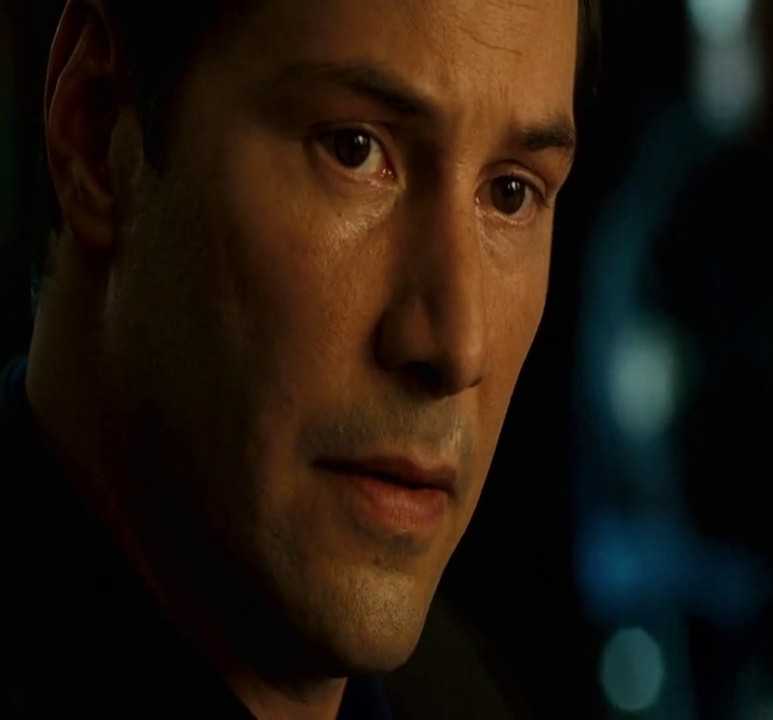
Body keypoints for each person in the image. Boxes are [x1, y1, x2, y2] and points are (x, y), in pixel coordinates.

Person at [1, 0, 598, 716]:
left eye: (511, 192)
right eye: (354, 148)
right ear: (97, 133)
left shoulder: (463, 695)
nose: (455, 346)